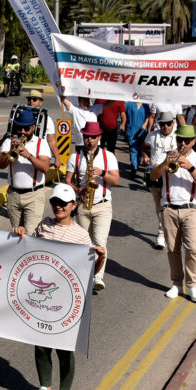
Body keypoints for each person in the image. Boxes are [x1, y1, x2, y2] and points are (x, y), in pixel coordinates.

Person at [17, 183, 105, 390]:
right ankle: (45, 389)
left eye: (63, 203)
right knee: (41, 343)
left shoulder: (81, 234)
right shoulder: (44, 225)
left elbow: (90, 270)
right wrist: (21, 235)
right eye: (54, 202)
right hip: (41, 296)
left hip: (66, 298)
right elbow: (30, 251)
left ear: (74, 206)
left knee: (65, 348)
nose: (58, 206)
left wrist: (102, 258)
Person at [149, 124, 196, 303]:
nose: (182, 143)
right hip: (169, 208)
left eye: (186, 140)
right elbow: (153, 176)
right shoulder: (167, 155)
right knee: (173, 250)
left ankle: (192, 286)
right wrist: (165, 164)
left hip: (191, 209)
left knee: (192, 249)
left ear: (194, 141)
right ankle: (176, 284)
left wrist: (190, 168)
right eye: (179, 139)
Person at [65, 121, 119, 292]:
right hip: (83, 205)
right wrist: (78, 190)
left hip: (102, 205)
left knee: (100, 241)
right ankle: (81, 275)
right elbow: (68, 180)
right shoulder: (76, 157)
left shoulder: (108, 156)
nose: (89, 140)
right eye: (87, 136)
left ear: (99, 138)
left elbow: (116, 180)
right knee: (82, 243)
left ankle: (98, 277)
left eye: (93, 137)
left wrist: (102, 173)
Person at [0, 107, 52, 232]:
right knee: (16, 233)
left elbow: (45, 168)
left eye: (27, 128)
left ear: (33, 127)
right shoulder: (9, 141)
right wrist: (10, 149)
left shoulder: (41, 143)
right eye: (19, 128)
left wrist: (29, 156)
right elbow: (1, 165)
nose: (23, 131)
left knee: (31, 234)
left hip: (34, 195)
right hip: (14, 195)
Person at [142, 110, 179, 249]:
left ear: (173, 124)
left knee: (166, 206)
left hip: (170, 177)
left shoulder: (177, 138)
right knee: (159, 208)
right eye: (163, 124)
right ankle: (163, 230)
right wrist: (145, 157)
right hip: (155, 175)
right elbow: (144, 148)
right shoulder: (152, 136)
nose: (165, 127)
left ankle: (161, 234)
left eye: (168, 124)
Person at [26, 88, 62, 169]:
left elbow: (51, 141)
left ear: (40, 102)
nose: (31, 101)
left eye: (34, 99)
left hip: (40, 153)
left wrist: (57, 159)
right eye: (29, 99)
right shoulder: (21, 116)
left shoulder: (47, 120)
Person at [122, 100, 155, 179]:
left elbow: (149, 116)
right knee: (133, 149)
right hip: (132, 129)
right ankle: (134, 167)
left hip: (142, 131)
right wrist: (124, 123)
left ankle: (136, 163)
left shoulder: (145, 105)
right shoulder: (130, 104)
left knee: (141, 149)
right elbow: (122, 112)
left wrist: (145, 124)